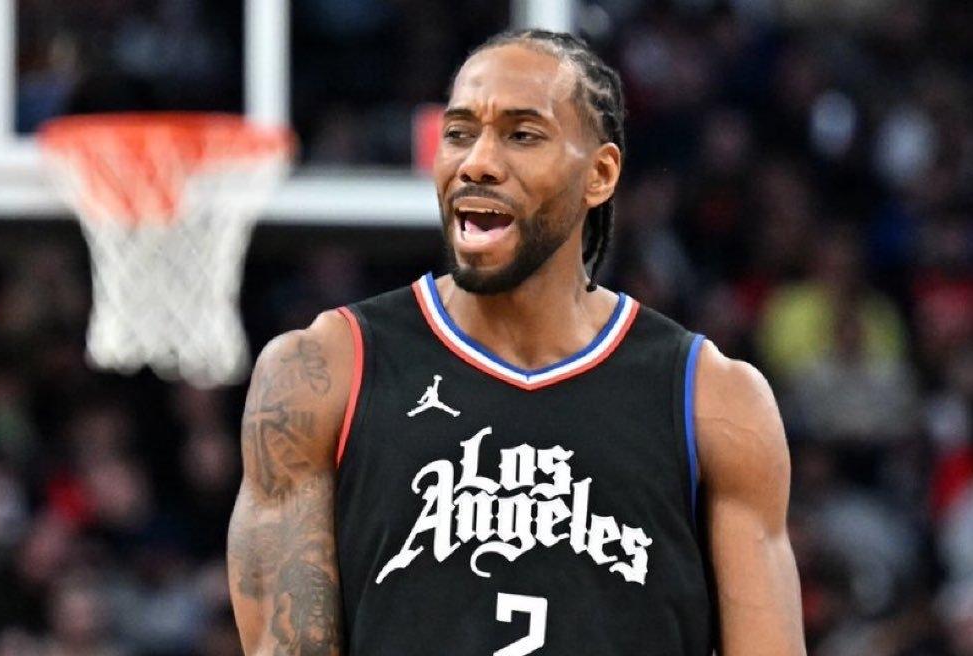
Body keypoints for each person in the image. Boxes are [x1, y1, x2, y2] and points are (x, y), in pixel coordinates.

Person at [227, 30, 805, 656]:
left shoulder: (714, 400)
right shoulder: (324, 373)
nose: (476, 161)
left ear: (600, 174)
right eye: (458, 133)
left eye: (522, 135)